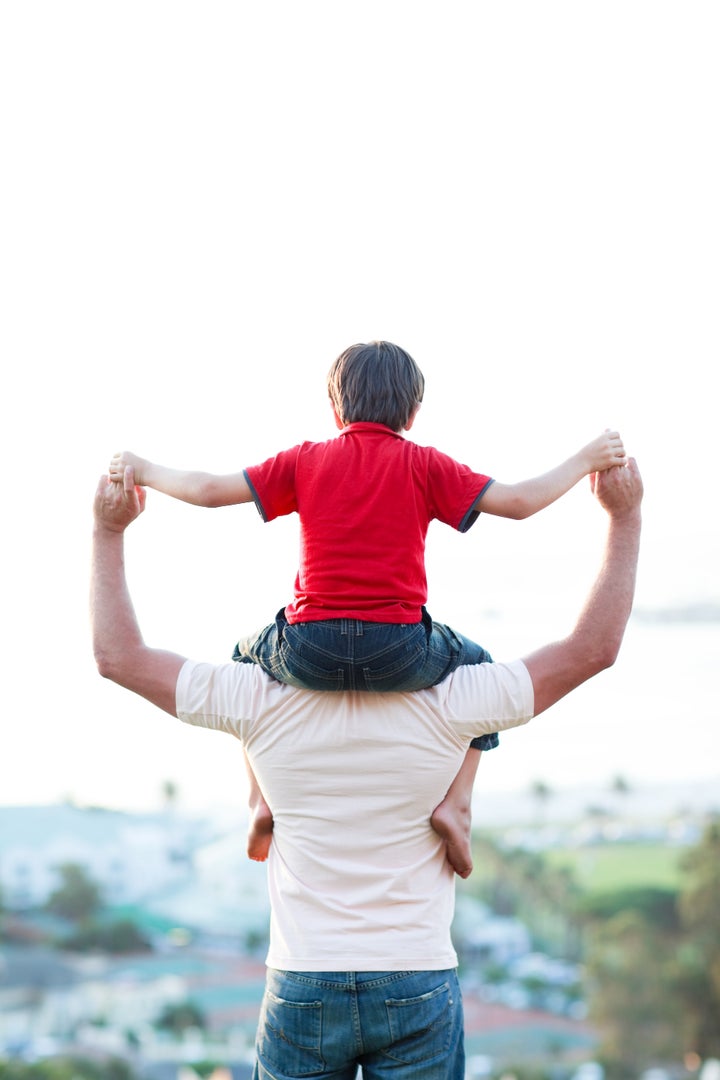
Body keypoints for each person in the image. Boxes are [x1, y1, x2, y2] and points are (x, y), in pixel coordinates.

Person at [92, 457, 642, 1080]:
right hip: (417, 974)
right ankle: (454, 803)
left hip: (303, 978)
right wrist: (624, 517)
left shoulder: (254, 695)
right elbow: (591, 648)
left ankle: (259, 800)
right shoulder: (456, 696)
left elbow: (120, 657)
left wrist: (108, 531)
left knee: (239, 667)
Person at [108, 340, 627, 874]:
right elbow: (519, 502)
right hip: (399, 652)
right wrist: (586, 458)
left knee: (244, 655)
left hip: (309, 650)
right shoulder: (425, 464)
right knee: (479, 662)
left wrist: (144, 469)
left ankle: (260, 798)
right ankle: (458, 801)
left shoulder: (306, 459)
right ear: (414, 412)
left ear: (335, 409)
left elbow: (208, 489)